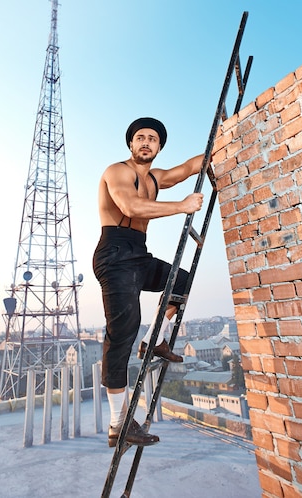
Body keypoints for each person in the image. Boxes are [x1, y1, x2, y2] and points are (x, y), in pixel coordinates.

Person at [93, 117, 204, 448]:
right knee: (123, 331)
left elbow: (189, 167)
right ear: (131, 145)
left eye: (152, 139)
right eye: (139, 137)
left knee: (181, 283)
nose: (145, 142)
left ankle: (155, 340)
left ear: (158, 147)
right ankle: (119, 424)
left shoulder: (156, 177)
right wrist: (182, 206)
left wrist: (222, 142)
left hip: (139, 255)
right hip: (114, 254)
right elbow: (129, 204)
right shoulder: (118, 171)